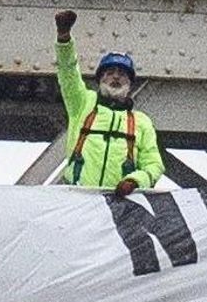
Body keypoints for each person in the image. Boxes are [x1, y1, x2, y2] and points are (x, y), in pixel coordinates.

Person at [53, 10, 164, 194]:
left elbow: (154, 164)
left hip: (120, 207)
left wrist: (135, 181)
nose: (116, 77)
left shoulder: (141, 122)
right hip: (78, 202)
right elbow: (68, 73)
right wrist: (64, 39)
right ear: (100, 79)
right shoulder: (83, 104)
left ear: (130, 83)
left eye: (122, 74)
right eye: (110, 72)